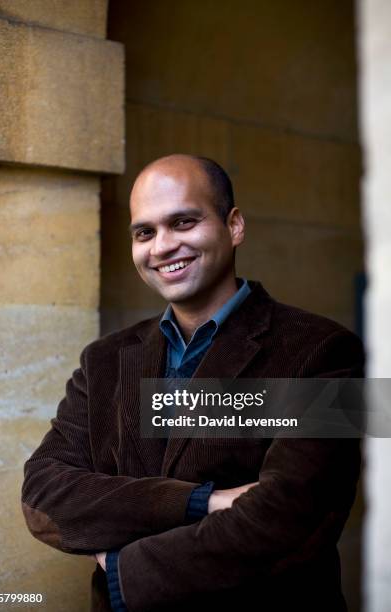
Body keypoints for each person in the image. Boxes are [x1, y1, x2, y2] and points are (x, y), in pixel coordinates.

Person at [22, 154, 364, 611]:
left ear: (235, 226)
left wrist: (124, 569)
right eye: (145, 232)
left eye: (183, 222)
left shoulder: (326, 349)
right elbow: (44, 496)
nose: (162, 246)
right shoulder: (103, 360)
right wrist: (204, 502)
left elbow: (295, 517)